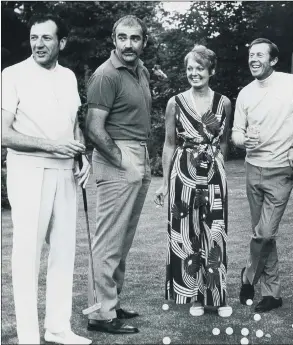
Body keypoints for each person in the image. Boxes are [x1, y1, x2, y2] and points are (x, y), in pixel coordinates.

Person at [1, 14, 92, 345]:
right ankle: (28, 336)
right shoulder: (12, 75)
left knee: (64, 251)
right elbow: (4, 134)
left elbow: (73, 124)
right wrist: (53, 146)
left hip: (65, 172)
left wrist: (81, 155)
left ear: (62, 43)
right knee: (27, 254)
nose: (38, 44)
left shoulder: (68, 77)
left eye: (46, 38)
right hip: (29, 171)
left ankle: (58, 328)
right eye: (33, 37)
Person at [232, 38, 293, 313]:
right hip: (252, 168)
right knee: (263, 234)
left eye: (260, 55)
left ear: (274, 60)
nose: (253, 59)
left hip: (281, 169)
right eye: (251, 55)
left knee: (265, 233)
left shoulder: (290, 83)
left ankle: (248, 276)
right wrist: (243, 141)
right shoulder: (245, 93)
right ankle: (272, 294)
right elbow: (236, 133)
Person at [154, 45, 233, 317]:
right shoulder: (174, 103)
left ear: (211, 71)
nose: (194, 73)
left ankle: (219, 298)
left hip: (213, 171)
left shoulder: (224, 103)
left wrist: (220, 173)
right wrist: (165, 183)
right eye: (190, 68)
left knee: (214, 232)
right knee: (187, 234)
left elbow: (224, 143)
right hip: (183, 171)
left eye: (200, 68)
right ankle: (196, 298)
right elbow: (168, 144)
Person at [85, 15, 152, 334]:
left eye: (135, 38)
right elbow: (94, 129)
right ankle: (101, 315)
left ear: (143, 42)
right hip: (117, 158)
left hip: (138, 153)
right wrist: (123, 160)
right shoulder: (105, 75)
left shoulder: (141, 71)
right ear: (114, 40)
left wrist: (137, 159)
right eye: (122, 37)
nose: (128, 44)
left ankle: (112, 302)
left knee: (122, 240)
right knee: (108, 240)